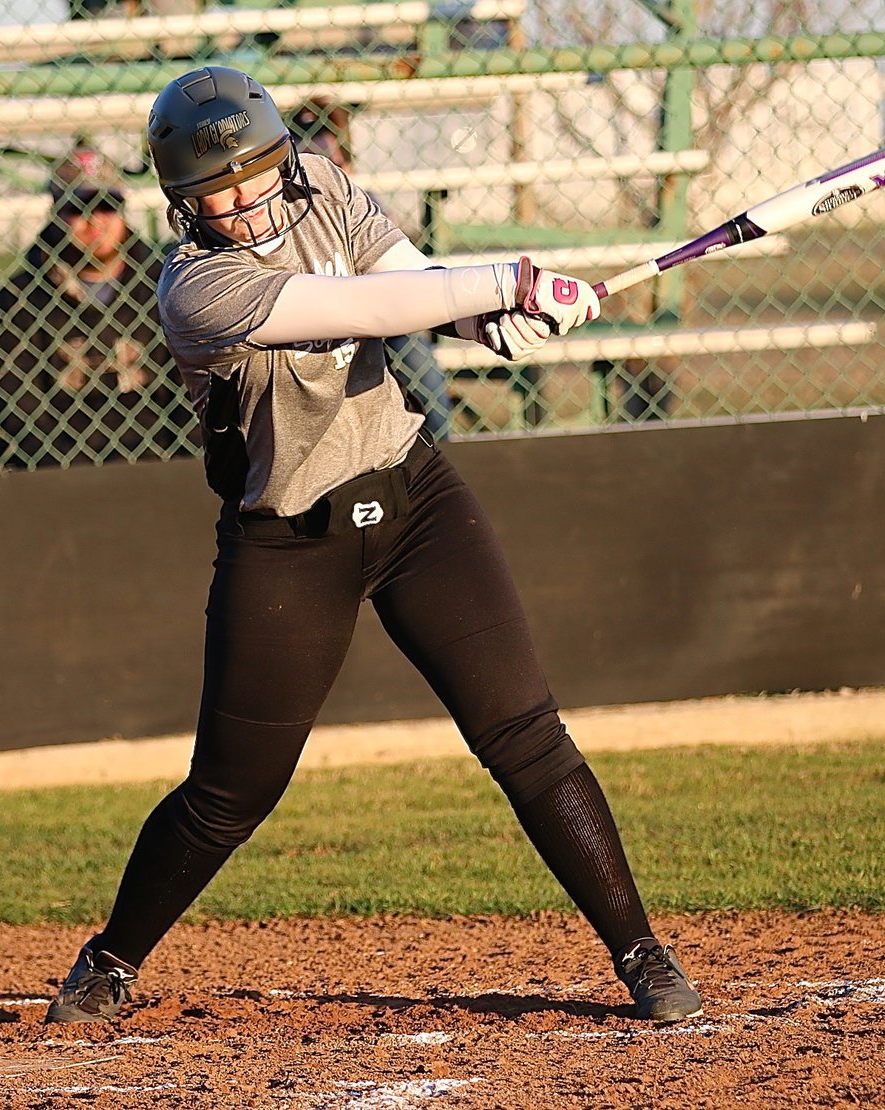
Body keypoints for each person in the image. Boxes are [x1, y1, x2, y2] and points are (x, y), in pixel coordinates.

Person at [45, 67, 701, 1027]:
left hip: (411, 494)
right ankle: (109, 959)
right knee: (232, 791)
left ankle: (641, 951)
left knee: (525, 733)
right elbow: (348, 310)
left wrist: (494, 318)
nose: (238, 203)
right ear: (179, 204)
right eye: (209, 192)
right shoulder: (198, 290)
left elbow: (410, 286)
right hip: (286, 540)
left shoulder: (328, 187)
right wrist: (510, 278)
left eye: (254, 172)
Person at [0, 142, 197, 468]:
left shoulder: (167, 287)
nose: (95, 221)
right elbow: (18, 420)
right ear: (55, 215)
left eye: (107, 205)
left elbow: (194, 403)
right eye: (78, 208)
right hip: (58, 480)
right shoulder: (15, 304)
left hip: (160, 468)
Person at [288, 99, 455, 440]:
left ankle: (443, 442)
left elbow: (394, 269)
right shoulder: (284, 210)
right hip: (314, 322)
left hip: (377, 317)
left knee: (413, 353)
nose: (321, 167)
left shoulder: (358, 197)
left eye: (330, 157)